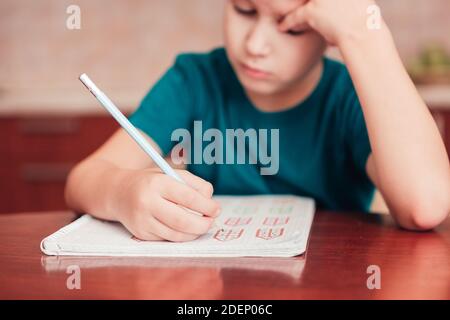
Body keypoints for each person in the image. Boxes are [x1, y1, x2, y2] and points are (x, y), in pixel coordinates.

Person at [65, 0, 450, 241]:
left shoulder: (351, 95)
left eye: (292, 26)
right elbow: (83, 179)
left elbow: (425, 206)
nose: (254, 45)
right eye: (244, 10)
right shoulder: (194, 81)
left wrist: (365, 36)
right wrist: (122, 191)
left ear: (329, 31)